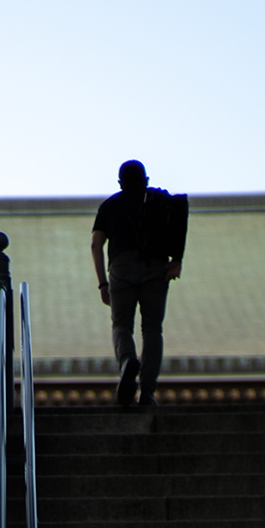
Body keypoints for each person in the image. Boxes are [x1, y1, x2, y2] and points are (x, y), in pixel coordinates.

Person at [90, 160, 187, 406]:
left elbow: (95, 245)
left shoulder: (110, 205)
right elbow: (180, 210)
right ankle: (147, 392)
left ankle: (126, 362)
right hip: (156, 266)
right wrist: (177, 259)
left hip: (121, 268)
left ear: (120, 183)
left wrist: (103, 284)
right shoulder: (159, 199)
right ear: (146, 180)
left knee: (121, 324)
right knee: (153, 329)